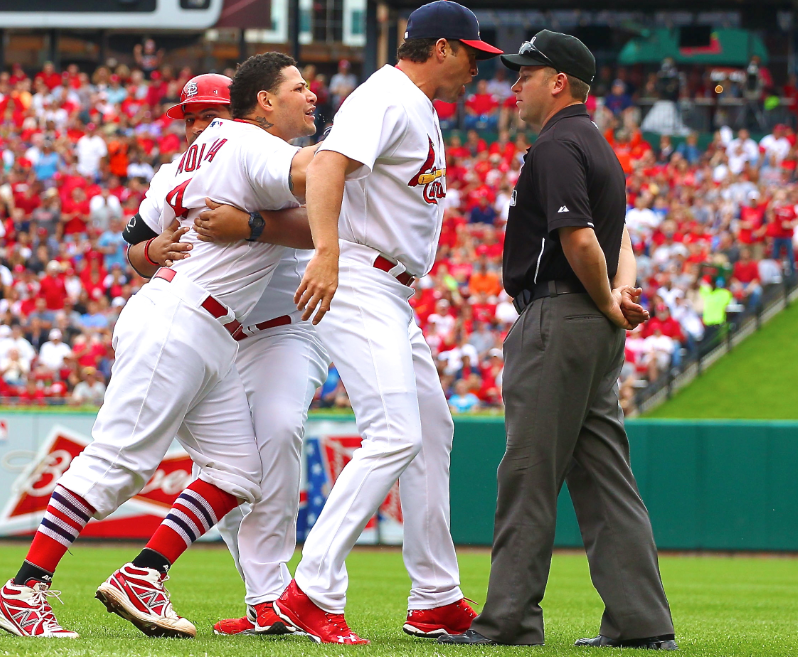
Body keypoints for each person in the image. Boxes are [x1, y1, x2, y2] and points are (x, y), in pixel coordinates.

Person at [0, 52, 318, 640]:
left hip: (209, 328)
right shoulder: (247, 141)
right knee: (117, 461)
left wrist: (158, 246)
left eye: (202, 113)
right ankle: (22, 590)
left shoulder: (205, 150)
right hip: (182, 319)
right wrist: (371, 146)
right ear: (260, 103)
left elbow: (151, 233)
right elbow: (313, 177)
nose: (309, 95)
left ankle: (145, 575)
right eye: (297, 87)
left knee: (238, 472)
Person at [440, 30, 676, 650]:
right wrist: (618, 297)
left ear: (559, 82)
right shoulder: (597, 144)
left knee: (528, 473)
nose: (515, 84)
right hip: (591, 325)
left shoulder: (556, 145)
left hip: (560, 319)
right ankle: (641, 623)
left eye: (527, 73)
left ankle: (510, 622)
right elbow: (615, 241)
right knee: (605, 479)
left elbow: (577, 239)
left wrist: (604, 300)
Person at [280, 0, 502, 645]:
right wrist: (325, 252)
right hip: (359, 276)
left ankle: (435, 595)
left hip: (391, 290)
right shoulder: (387, 94)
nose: (476, 71)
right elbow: (326, 165)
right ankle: (310, 588)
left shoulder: (416, 105)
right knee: (395, 433)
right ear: (441, 49)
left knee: (431, 429)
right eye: (472, 56)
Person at [128, 73, 332, 637]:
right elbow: (135, 254)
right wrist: (151, 248)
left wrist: (251, 225)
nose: (197, 126)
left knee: (279, 431)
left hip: (283, 327)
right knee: (229, 471)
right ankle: (263, 598)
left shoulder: (269, 154)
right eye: (190, 117)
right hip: (215, 330)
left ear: (242, 112)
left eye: (207, 113)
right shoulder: (175, 173)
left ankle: (273, 595)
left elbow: (328, 224)